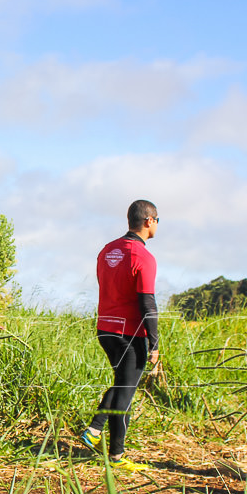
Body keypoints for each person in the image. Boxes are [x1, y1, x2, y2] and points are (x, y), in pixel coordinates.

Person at [79, 200, 160, 471]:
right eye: (157, 220)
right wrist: (154, 342)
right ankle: (116, 455)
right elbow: (147, 303)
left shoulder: (107, 251)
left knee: (121, 382)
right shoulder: (143, 257)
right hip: (130, 333)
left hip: (105, 329)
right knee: (126, 391)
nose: (157, 225)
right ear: (149, 221)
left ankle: (95, 430)